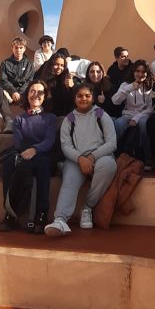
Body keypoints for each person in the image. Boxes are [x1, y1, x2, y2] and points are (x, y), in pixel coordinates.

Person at [44, 83, 117, 236]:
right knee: (69, 180)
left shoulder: (101, 115)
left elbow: (112, 143)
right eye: (79, 96)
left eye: (87, 96)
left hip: (100, 156)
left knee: (109, 166)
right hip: (76, 160)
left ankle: (88, 207)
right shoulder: (69, 119)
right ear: (74, 98)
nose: (83, 99)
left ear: (93, 97)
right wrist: (80, 159)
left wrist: (91, 157)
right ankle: (60, 220)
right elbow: (66, 146)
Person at [0, 80, 57, 233]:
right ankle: (10, 213)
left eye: (40, 92)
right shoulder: (19, 119)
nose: (36, 95)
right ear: (27, 95)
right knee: (8, 164)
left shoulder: (50, 118)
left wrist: (35, 149)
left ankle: (41, 213)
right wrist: (28, 151)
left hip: (44, 155)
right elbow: (18, 142)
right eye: (32, 91)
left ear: (45, 97)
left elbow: (49, 140)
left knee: (42, 165)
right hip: (24, 154)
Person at [111, 60, 153, 162]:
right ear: (133, 71)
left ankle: (148, 158)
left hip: (144, 115)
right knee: (118, 123)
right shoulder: (125, 84)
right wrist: (130, 87)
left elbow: (151, 108)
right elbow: (115, 101)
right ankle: (114, 155)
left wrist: (136, 118)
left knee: (143, 124)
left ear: (147, 73)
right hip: (128, 114)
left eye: (143, 72)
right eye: (137, 71)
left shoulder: (151, 86)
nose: (140, 74)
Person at [0, 36, 34, 105]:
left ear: (24, 49)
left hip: (24, 92)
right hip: (9, 92)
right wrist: (13, 91)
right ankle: (6, 116)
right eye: (16, 48)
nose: (18, 50)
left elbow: (29, 81)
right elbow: (3, 80)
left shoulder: (29, 64)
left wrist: (19, 93)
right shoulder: (5, 63)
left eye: (21, 48)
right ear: (12, 48)